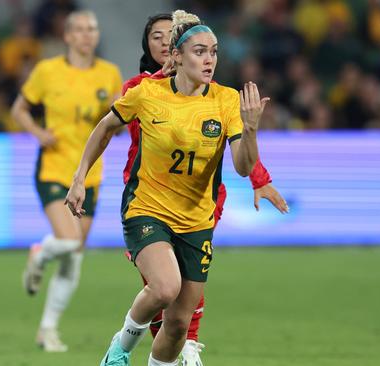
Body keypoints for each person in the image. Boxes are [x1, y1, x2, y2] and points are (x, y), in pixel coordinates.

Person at [65, 9, 282, 366]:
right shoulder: (146, 93)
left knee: (179, 325)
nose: (209, 59)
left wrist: (252, 128)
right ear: (177, 56)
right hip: (146, 208)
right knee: (165, 288)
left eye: (213, 51)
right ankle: (120, 348)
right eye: (199, 51)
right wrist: (79, 178)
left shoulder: (226, 101)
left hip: (197, 220)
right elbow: (104, 128)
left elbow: (243, 167)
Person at [11, 10, 122, 352]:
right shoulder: (48, 71)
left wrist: (120, 122)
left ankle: (47, 329)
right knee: (70, 242)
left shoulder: (109, 73)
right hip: (55, 169)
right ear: (68, 36)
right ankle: (40, 253)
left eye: (93, 28)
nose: (88, 35)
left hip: (90, 174)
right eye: (81, 29)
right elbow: (19, 109)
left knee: (75, 255)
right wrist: (38, 132)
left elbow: (117, 120)